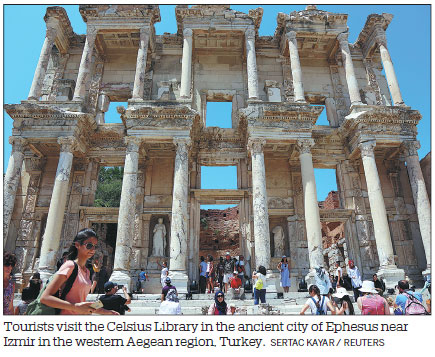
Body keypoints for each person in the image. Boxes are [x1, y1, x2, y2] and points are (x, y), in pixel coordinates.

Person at [40, 228, 116, 315]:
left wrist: (106, 312)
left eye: (95, 246)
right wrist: (75, 307)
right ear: (77, 245)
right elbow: (45, 298)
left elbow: (80, 302)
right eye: (89, 245)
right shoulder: (69, 266)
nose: (93, 249)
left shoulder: (87, 271)